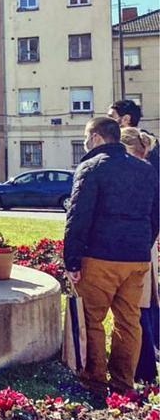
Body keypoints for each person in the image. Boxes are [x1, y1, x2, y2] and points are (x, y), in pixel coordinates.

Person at [64, 117, 159, 394]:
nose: (84, 142)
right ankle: (123, 383)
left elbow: (78, 217)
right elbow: (156, 214)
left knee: (92, 319)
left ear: (95, 136)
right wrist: (143, 243)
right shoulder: (145, 169)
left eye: (85, 136)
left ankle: (95, 381)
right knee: (129, 321)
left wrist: (71, 260)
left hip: (99, 256)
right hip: (136, 258)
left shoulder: (91, 167)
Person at [120, 127, 160, 384]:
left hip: (137, 249)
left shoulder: (140, 174)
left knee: (135, 309)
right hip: (145, 248)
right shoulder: (148, 171)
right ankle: (145, 367)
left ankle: (143, 369)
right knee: (140, 307)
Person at [108, 99, 159, 170]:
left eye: (111, 117)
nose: (107, 121)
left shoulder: (149, 141)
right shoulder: (152, 141)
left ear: (126, 119)